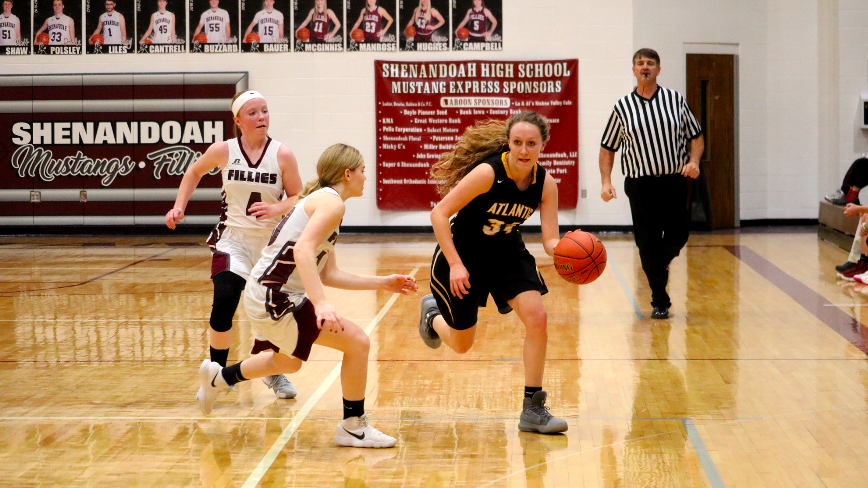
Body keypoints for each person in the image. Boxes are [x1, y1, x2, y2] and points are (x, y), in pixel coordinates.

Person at [197, 143, 418, 448]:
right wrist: (321, 303)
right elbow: (302, 250)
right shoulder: (331, 204)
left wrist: (383, 282)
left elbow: (329, 273)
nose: (366, 177)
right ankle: (354, 426)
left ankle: (219, 378)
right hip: (273, 295)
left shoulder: (326, 203)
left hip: (268, 293)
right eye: (363, 170)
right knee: (357, 343)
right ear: (347, 173)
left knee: (288, 363)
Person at [419, 111, 568, 435]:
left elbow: (550, 240)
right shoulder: (488, 173)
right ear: (509, 143)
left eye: (531, 143)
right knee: (461, 344)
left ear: (542, 144)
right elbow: (439, 214)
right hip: (463, 255)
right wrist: (456, 264)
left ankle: (533, 408)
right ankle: (432, 316)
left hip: (506, 254)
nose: (524, 150)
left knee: (537, 318)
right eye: (518, 142)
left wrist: (569, 250)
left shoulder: (545, 183)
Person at [166, 90, 302, 400]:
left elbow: (297, 196)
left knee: (270, 314)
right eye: (253, 113)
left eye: (265, 111)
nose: (261, 118)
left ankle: (272, 371)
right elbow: (194, 171)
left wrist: (276, 209)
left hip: (270, 246)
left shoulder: (282, 154)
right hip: (233, 241)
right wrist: (179, 206)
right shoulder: (223, 150)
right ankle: (216, 375)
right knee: (224, 302)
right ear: (238, 120)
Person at [599, 47, 704, 320]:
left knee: (678, 236)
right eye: (639, 63)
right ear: (633, 70)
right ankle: (660, 299)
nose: (645, 67)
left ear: (658, 69)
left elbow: (696, 135)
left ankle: (659, 263)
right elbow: (608, 147)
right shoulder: (622, 107)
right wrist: (606, 181)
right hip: (640, 186)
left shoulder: (675, 100)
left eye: (650, 63)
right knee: (646, 244)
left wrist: (694, 161)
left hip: (673, 182)